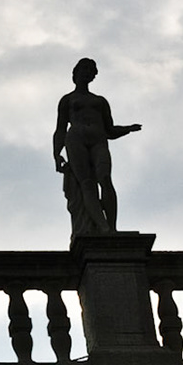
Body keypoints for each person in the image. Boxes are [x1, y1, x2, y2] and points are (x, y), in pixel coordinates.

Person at [53, 57, 140, 235]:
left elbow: (110, 130)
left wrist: (127, 129)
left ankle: (112, 227)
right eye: (84, 69)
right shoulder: (67, 100)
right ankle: (103, 227)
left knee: (105, 178)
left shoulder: (100, 101)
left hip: (99, 140)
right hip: (76, 139)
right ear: (75, 73)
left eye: (91, 70)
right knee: (87, 183)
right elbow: (60, 129)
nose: (87, 73)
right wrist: (56, 153)